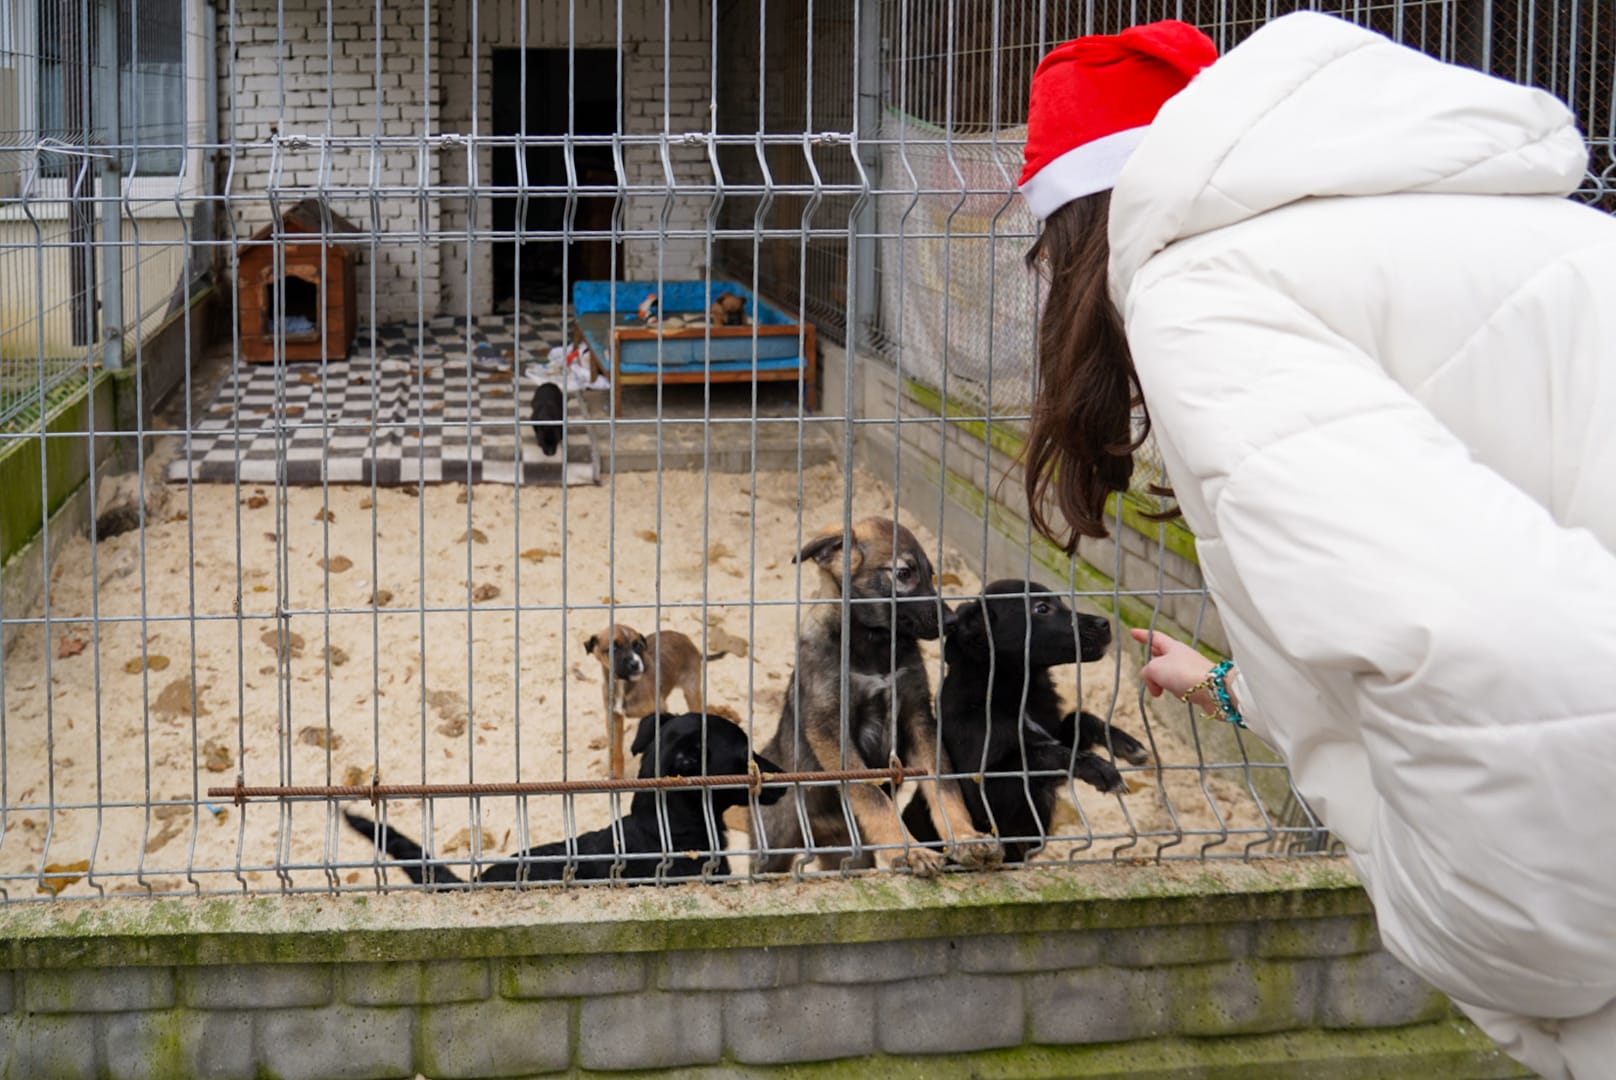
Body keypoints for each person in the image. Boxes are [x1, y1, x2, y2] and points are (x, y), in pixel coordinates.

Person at [1013, 13, 1616, 1080]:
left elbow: (1498, 654)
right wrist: (1240, 686)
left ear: (1079, 230)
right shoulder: (1466, 228)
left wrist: (1462, 941)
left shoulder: (1207, 299)